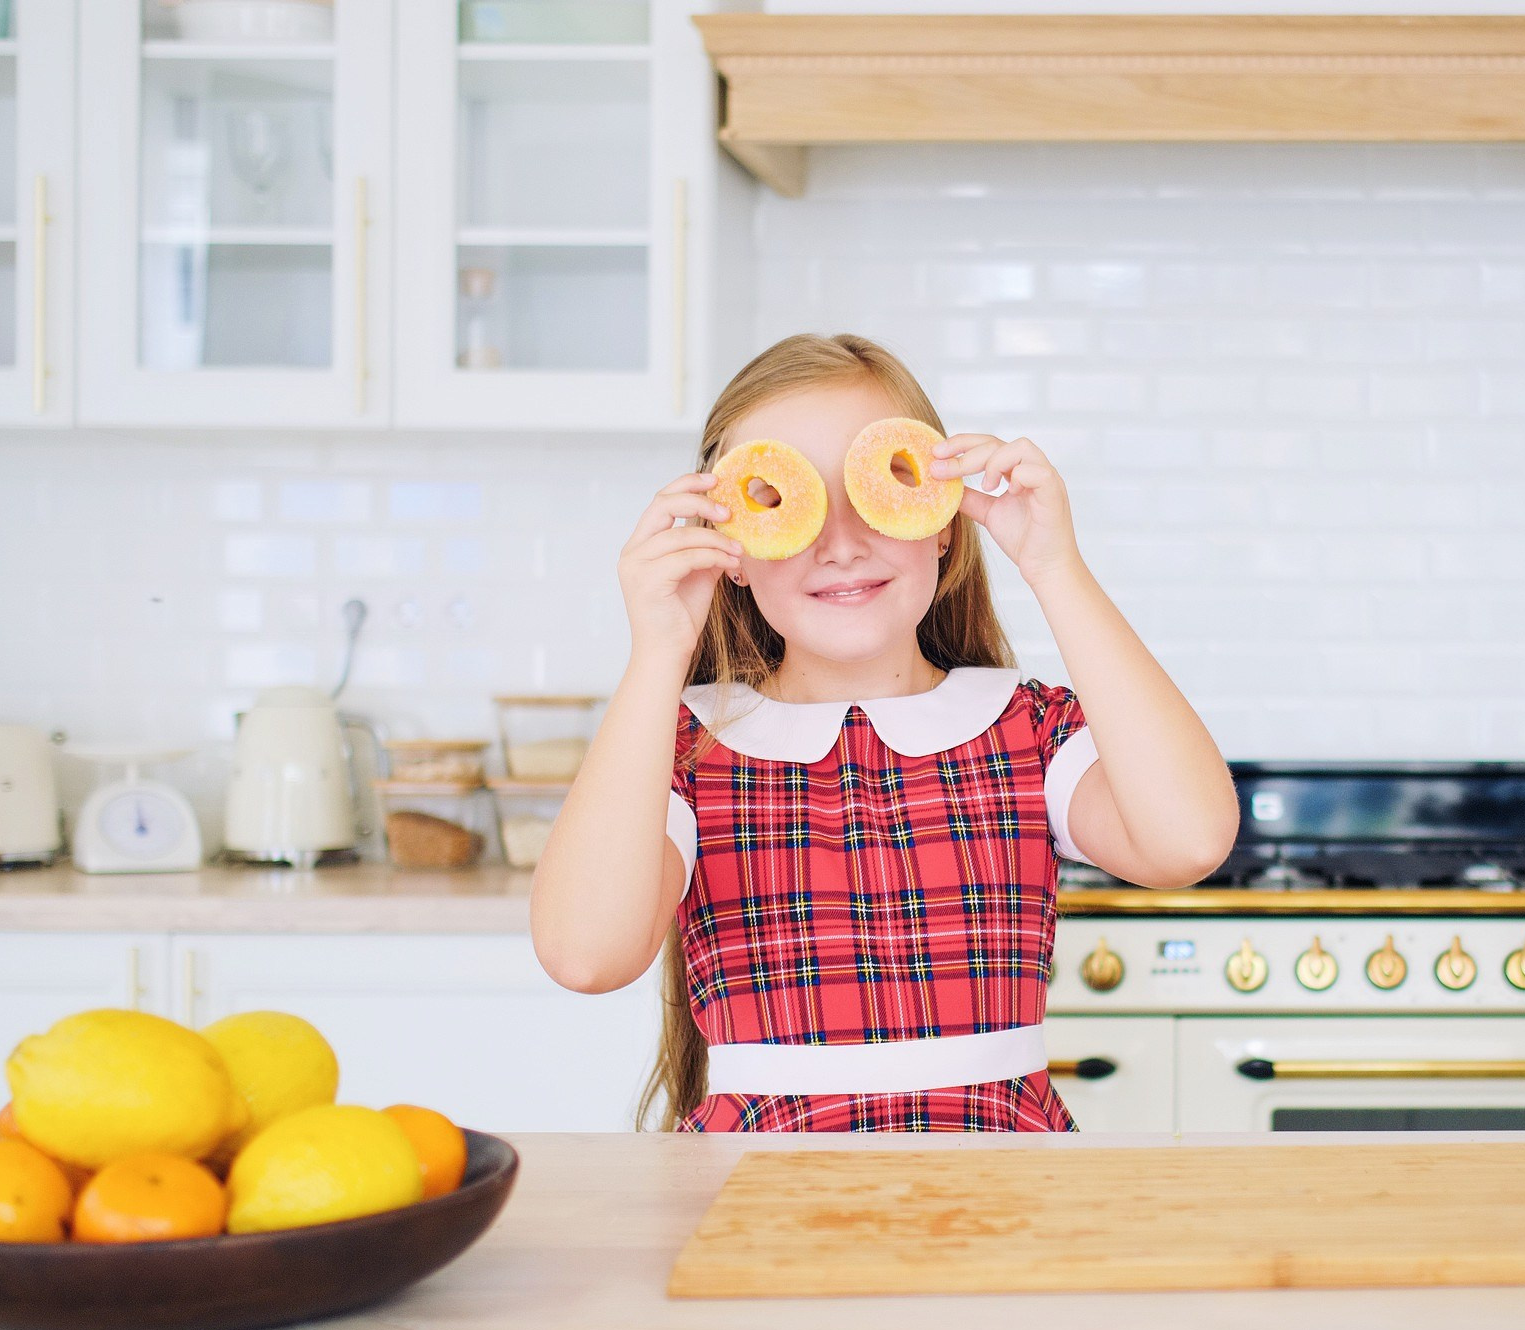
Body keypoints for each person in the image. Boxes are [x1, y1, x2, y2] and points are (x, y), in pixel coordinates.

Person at [530, 333, 1236, 1131]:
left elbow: (1189, 838)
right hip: (763, 1216)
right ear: (732, 550)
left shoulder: (1024, 727)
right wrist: (659, 650)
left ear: (941, 521)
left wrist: (1055, 566)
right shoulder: (690, 748)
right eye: (787, 504)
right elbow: (585, 953)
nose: (841, 543)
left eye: (876, 494)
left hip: (1003, 1217)